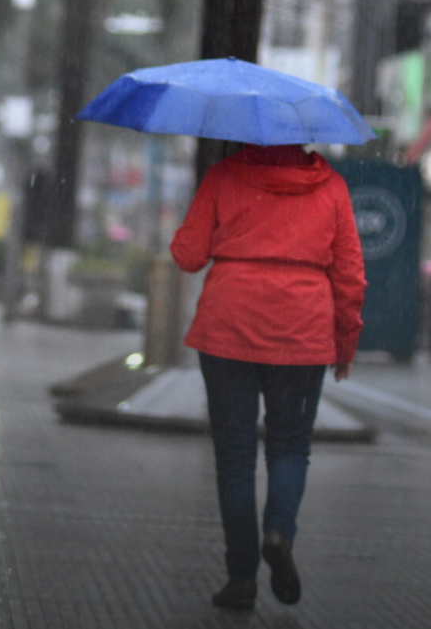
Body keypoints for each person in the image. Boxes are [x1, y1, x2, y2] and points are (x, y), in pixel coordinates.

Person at [171, 144, 365, 610]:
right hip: (302, 330)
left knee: (235, 457)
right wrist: (345, 344)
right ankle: (278, 532)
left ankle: (241, 578)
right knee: (290, 446)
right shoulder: (332, 187)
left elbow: (188, 255)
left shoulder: (223, 176)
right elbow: (350, 276)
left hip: (230, 325)